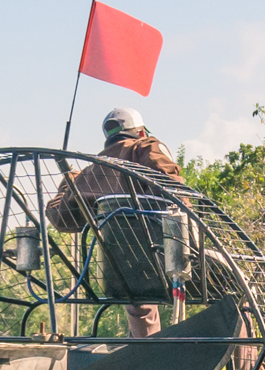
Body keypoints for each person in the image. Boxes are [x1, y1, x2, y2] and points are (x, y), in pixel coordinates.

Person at [43, 107, 189, 337]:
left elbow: (60, 219)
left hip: (119, 274)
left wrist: (69, 181)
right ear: (141, 133)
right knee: (237, 287)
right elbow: (172, 187)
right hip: (167, 262)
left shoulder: (90, 173)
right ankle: (252, 368)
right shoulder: (145, 148)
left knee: (138, 298)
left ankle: (146, 356)